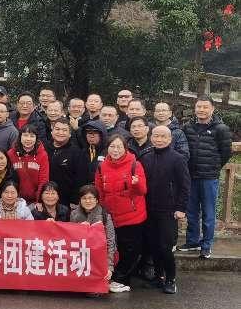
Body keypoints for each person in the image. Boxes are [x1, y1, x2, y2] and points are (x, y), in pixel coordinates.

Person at [180, 96, 233, 258]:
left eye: (205, 107)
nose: (201, 110)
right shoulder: (187, 127)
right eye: (199, 107)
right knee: (191, 211)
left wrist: (214, 167)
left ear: (212, 109)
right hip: (190, 176)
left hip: (209, 177)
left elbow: (226, 153)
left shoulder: (221, 128)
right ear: (195, 108)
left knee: (208, 213)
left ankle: (206, 244)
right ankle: (192, 241)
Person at [141, 126, 190, 294]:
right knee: (153, 245)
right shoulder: (146, 157)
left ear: (170, 139)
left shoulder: (178, 159)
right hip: (149, 208)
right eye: (156, 136)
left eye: (163, 137)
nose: (159, 140)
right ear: (151, 137)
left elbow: (185, 186)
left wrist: (181, 208)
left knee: (165, 246)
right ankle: (158, 276)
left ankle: (171, 279)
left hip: (168, 210)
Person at [95, 134, 148, 292]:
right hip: (111, 216)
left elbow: (143, 190)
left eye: (119, 147)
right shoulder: (102, 166)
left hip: (132, 216)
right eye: (112, 146)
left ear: (125, 148)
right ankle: (115, 277)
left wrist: (136, 184)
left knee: (130, 250)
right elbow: (99, 191)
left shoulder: (135, 164)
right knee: (113, 248)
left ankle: (122, 279)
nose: (115, 150)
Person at [70, 185, 117, 292]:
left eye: (91, 198)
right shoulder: (74, 214)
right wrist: (79, 229)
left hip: (100, 258)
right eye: (84, 198)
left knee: (95, 290)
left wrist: (109, 267)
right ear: (80, 200)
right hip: (81, 257)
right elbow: (71, 239)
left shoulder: (105, 215)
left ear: (96, 200)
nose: (88, 201)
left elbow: (110, 242)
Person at [47, 119, 87, 207]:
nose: (60, 132)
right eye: (57, 129)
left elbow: (80, 180)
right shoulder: (43, 149)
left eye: (64, 130)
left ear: (70, 134)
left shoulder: (76, 152)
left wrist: (75, 200)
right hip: (45, 199)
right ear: (52, 131)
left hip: (66, 202)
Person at [7, 124, 49, 204]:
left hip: (34, 200)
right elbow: (7, 178)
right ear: (20, 137)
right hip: (14, 199)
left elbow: (43, 180)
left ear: (36, 138)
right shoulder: (11, 153)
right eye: (25, 135)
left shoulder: (43, 155)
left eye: (32, 136)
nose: (28, 139)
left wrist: (39, 201)